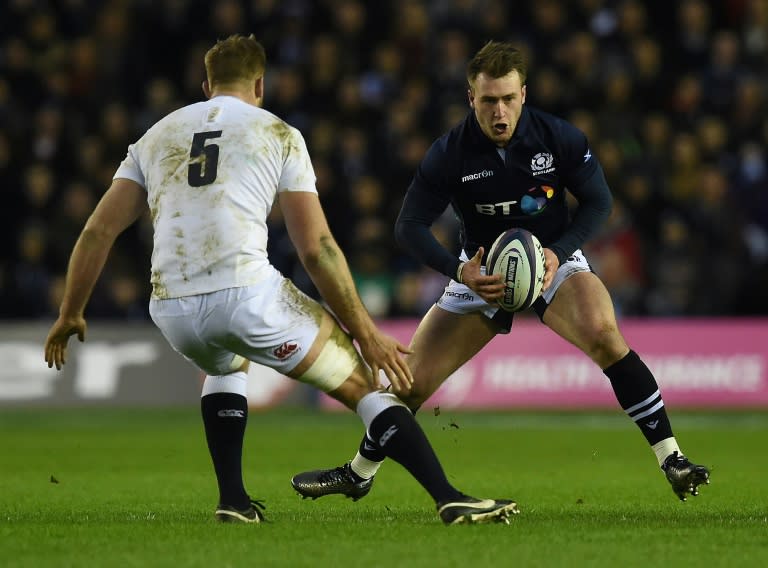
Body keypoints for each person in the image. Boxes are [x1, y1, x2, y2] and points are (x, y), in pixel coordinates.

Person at [43, 34, 519, 525]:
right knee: (361, 385)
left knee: (225, 367)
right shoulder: (278, 133)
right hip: (246, 294)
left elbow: (99, 230)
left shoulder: (155, 136)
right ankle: (448, 496)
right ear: (261, 85)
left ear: (207, 85)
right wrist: (367, 333)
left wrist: (70, 311)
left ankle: (234, 502)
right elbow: (318, 249)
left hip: (172, 307)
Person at [291, 40, 710, 503]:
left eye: (508, 99)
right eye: (488, 100)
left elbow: (600, 201)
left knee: (605, 334)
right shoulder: (449, 153)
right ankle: (358, 473)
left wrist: (559, 250)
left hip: (554, 262)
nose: (499, 111)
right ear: (471, 98)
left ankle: (672, 458)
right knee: (409, 383)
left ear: (524, 95)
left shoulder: (559, 138)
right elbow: (408, 227)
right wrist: (459, 270)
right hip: (480, 274)